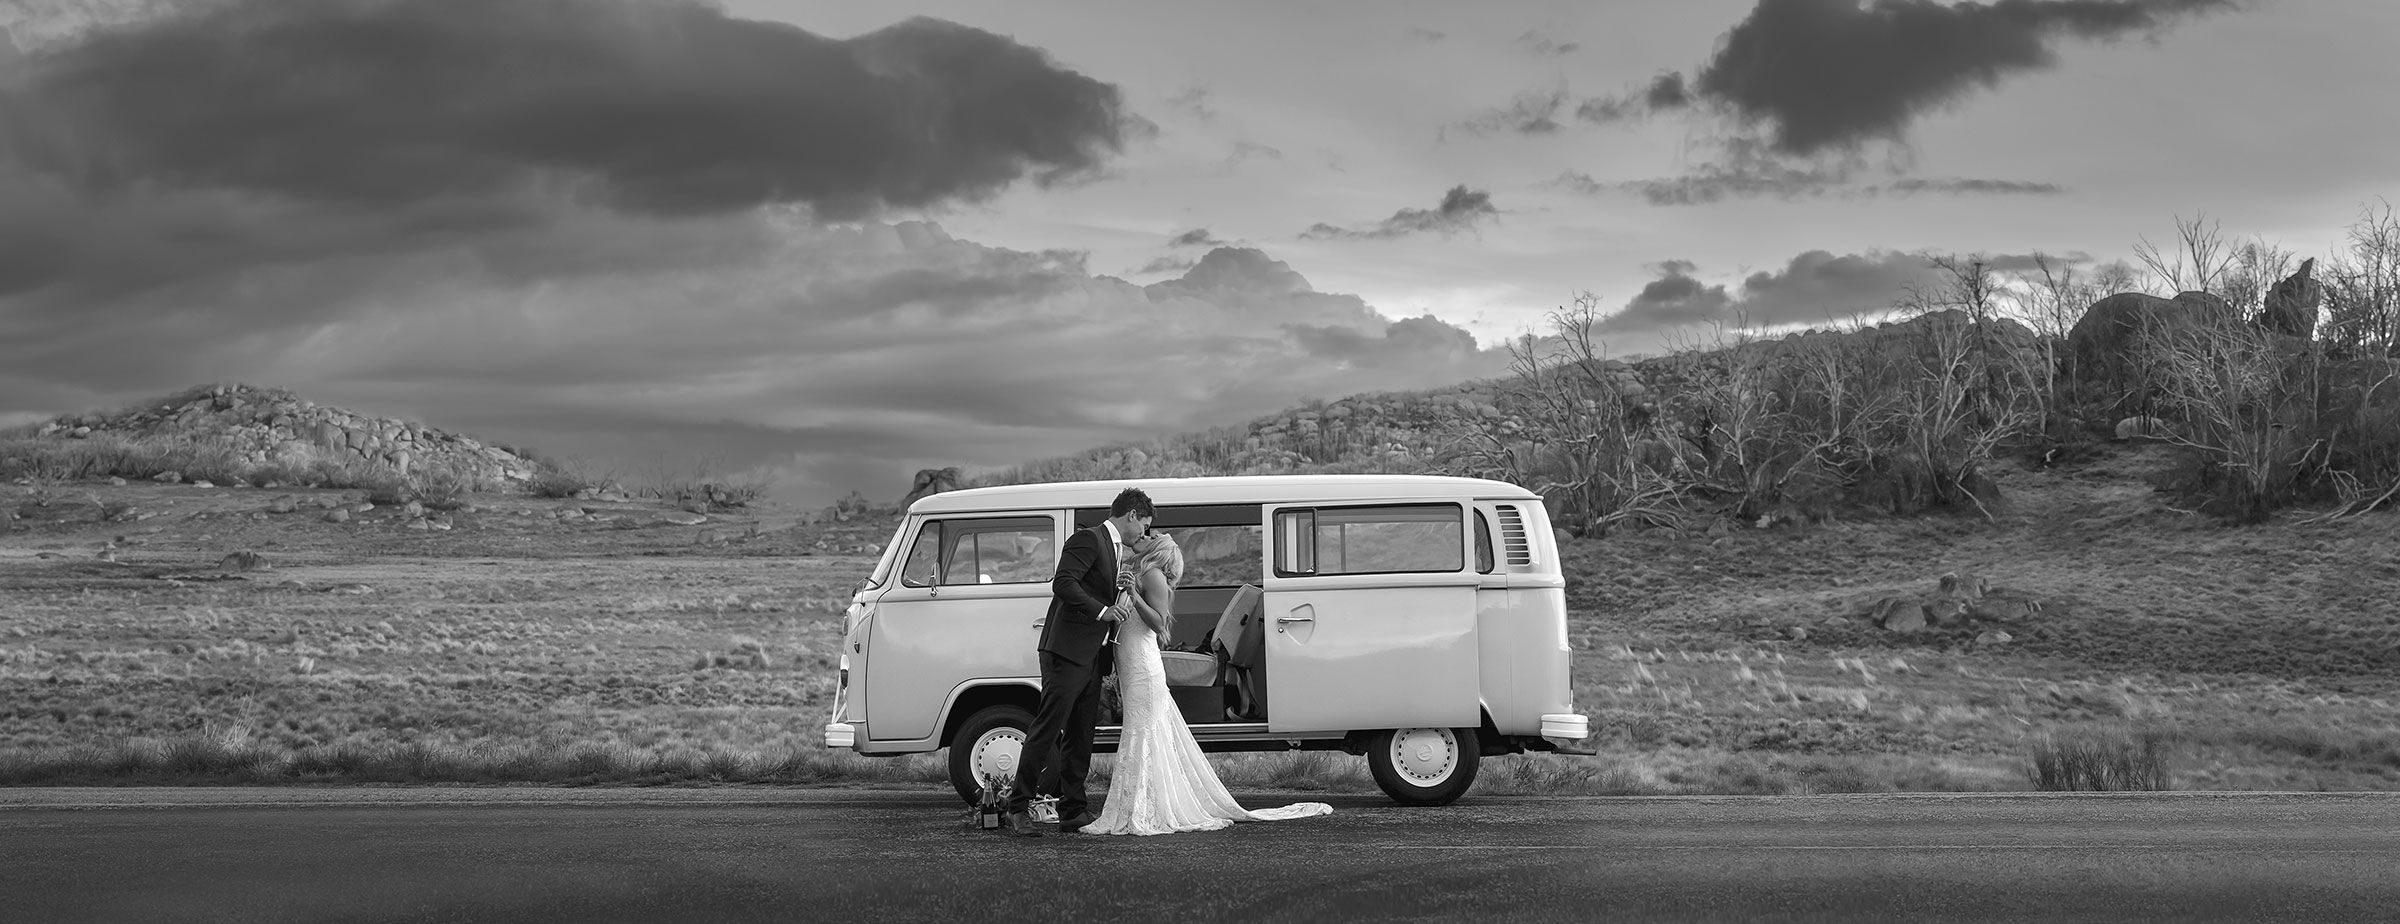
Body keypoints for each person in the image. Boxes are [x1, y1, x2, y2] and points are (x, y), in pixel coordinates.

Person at [1079, 530, 1332, 835]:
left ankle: (1144, 806)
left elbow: (1158, 622)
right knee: (1142, 731)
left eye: (1151, 534)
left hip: (1143, 665)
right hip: (1131, 661)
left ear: (1157, 547)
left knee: (1142, 731)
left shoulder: (1153, 575)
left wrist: (1133, 597)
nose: (1145, 534)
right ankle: (1143, 801)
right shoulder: (1138, 573)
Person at [1000, 487, 1153, 837]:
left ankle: (1073, 810)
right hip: (1065, 653)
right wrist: (1103, 611)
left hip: (1091, 657)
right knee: (1047, 728)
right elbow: (1063, 584)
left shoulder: (1114, 550)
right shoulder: (1088, 538)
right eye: (1143, 525)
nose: (1143, 533)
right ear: (1131, 515)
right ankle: (1018, 807)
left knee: (1082, 734)